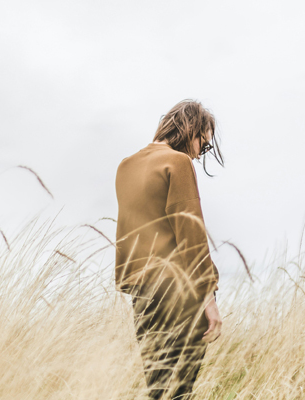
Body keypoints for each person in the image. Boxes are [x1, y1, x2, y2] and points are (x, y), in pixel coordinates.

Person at [115, 99, 224, 399]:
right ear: (191, 129)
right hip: (180, 292)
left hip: (142, 296)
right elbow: (191, 233)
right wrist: (208, 296)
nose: (202, 151)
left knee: (158, 388)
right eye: (204, 141)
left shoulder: (125, 167)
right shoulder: (178, 162)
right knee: (180, 390)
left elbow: (128, 234)